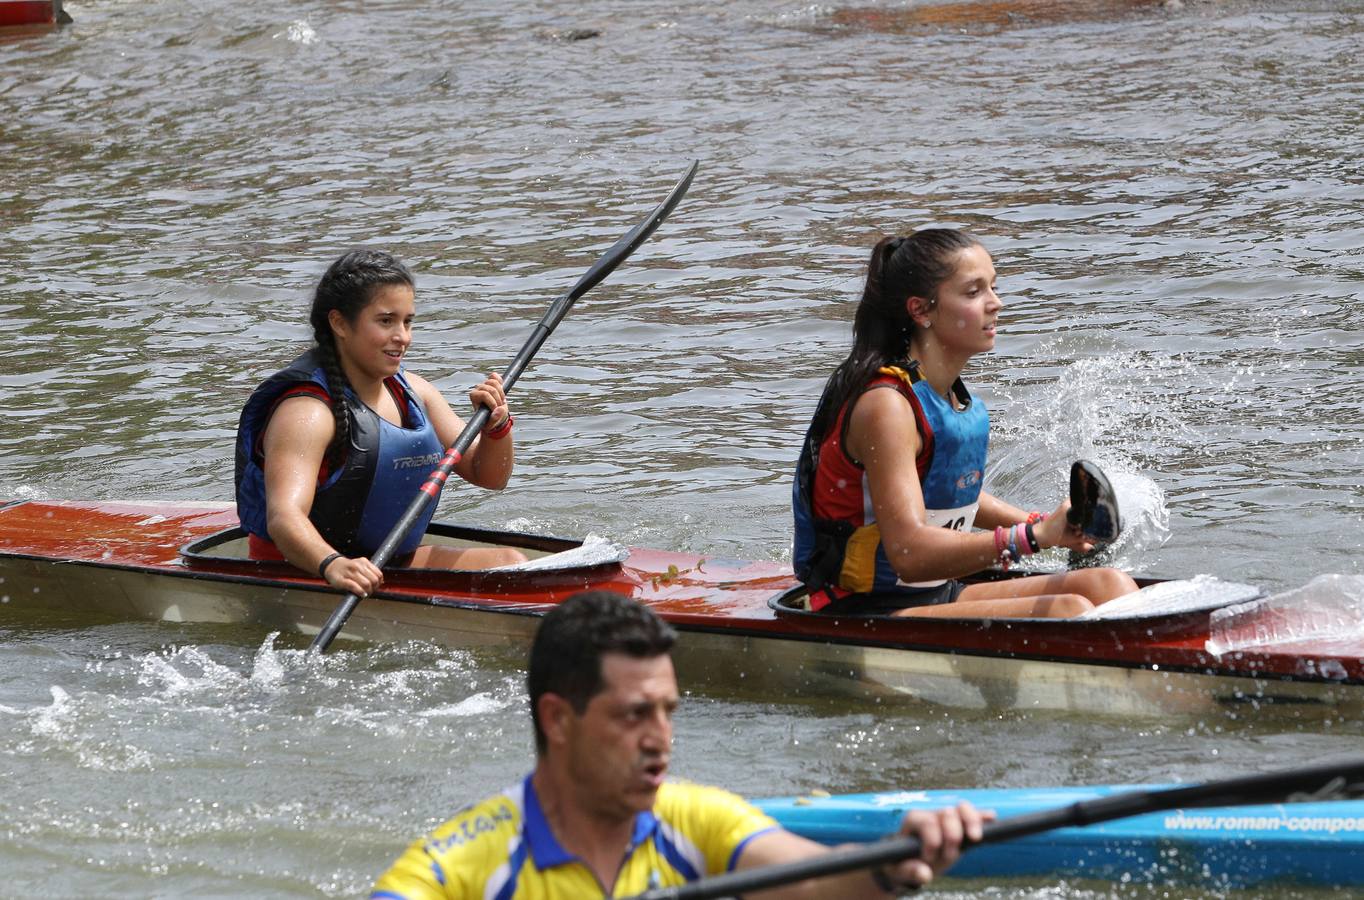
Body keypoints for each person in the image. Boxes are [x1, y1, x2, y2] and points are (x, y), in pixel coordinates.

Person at [371, 590, 989, 898]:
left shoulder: (696, 819)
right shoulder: (459, 867)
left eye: (668, 712)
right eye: (635, 715)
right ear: (558, 720)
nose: (660, 740)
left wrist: (889, 866)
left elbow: (809, 884)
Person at [792, 229, 1139, 618]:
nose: (997, 303)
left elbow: (948, 495)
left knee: (1111, 584)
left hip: (938, 594)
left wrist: (1047, 525)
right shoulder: (886, 406)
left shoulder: (946, 397)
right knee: (1067, 609)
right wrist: (1032, 538)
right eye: (974, 292)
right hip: (862, 609)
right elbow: (908, 554)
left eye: (993, 287)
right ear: (922, 311)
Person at [235, 249, 525, 598]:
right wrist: (332, 564)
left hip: (386, 564)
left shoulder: (416, 392)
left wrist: (497, 426)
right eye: (386, 321)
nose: (402, 336)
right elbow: (284, 517)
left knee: (511, 561)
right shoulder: (307, 412)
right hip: (305, 571)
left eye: (408, 321)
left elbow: (490, 475)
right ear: (340, 324)